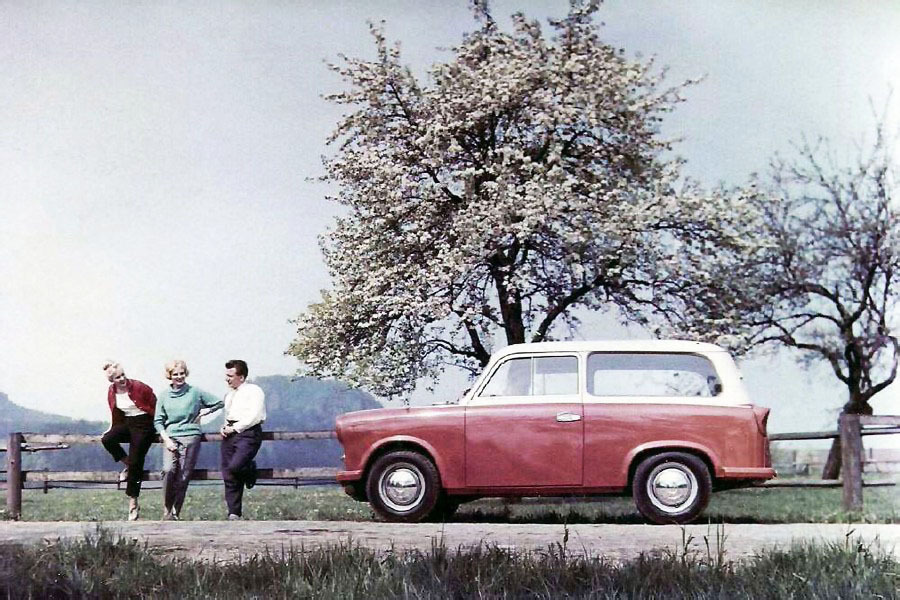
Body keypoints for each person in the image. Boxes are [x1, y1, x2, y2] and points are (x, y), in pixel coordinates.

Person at [154, 359, 224, 520]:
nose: (179, 377)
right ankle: (167, 509)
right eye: (175, 374)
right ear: (169, 376)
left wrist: (205, 412)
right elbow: (158, 421)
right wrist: (167, 440)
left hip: (191, 436)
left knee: (184, 475)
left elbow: (219, 402)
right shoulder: (164, 396)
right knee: (168, 470)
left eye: (182, 373)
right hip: (171, 436)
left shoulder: (195, 392)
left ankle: (176, 511)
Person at [100, 361, 157, 521]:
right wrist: (111, 428)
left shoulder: (139, 386)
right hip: (127, 422)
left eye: (123, 375)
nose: (122, 379)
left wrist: (158, 425)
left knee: (137, 459)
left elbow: (155, 405)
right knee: (107, 439)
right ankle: (128, 463)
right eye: (118, 377)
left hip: (144, 423)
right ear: (112, 380)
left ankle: (133, 500)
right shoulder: (111, 391)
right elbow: (115, 412)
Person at [220, 359, 266, 520]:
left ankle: (250, 469)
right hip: (230, 434)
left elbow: (255, 415)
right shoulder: (230, 394)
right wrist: (225, 427)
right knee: (228, 473)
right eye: (226, 375)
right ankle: (234, 512)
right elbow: (229, 414)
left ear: (241, 376)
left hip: (247, 433)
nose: (227, 379)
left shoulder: (254, 391)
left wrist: (236, 428)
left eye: (230, 375)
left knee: (236, 466)